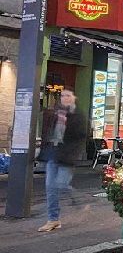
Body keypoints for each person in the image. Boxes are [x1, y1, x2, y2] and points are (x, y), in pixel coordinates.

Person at [38, 89, 87, 232]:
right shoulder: (55, 112)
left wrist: (73, 155)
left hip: (67, 157)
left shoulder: (78, 116)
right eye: (63, 96)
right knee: (50, 188)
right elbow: (47, 132)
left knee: (61, 184)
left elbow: (80, 138)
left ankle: (81, 199)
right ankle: (53, 219)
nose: (65, 98)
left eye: (68, 95)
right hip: (53, 154)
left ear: (74, 98)